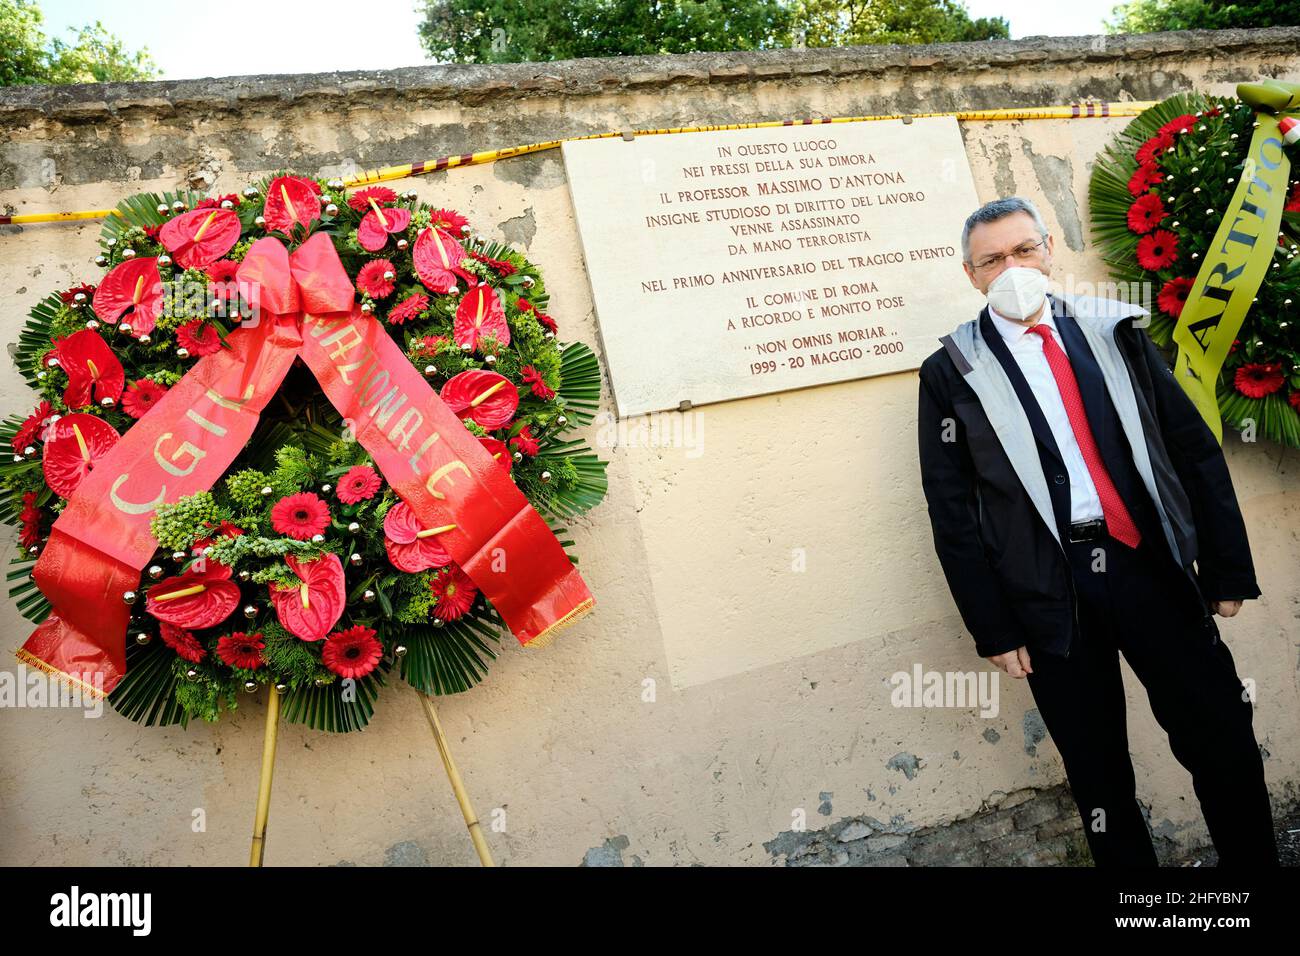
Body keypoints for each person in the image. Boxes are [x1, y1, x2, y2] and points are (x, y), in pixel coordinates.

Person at [915, 195, 1278, 867]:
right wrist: (993, 626)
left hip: (1148, 568)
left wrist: (1226, 566)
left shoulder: (1115, 332)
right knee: (1099, 773)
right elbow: (951, 509)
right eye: (992, 259)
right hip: (1050, 595)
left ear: (1050, 250)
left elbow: (1190, 445)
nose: (1012, 267)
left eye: (1024, 250)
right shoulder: (950, 371)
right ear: (971, 275)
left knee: (1221, 736)